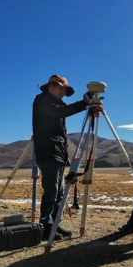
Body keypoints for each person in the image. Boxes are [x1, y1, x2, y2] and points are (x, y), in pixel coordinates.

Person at [32, 74, 90, 241]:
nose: (64, 92)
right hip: (48, 153)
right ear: (52, 86)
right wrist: (84, 103)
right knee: (51, 192)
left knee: (58, 193)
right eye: (63, 88)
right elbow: (61, 112)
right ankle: (45, 228)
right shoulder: (42, 101)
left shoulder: (56, 103)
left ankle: (54, 225)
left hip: (56, 153)